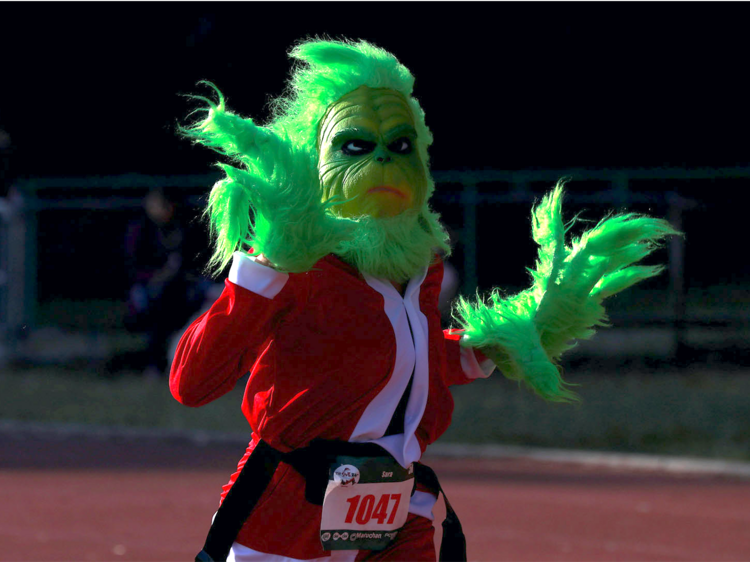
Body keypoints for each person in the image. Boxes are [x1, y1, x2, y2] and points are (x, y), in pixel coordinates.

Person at [170, 39, 677, 562]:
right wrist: (265, 268)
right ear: (312, 160)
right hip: (289, 512)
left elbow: (400, 360)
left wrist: (495, 344)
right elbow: (191, 384)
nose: (384, 159)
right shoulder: (298, 266)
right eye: (356, 145)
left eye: (400, 144)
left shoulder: (420, 264)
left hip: (393, 506)